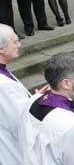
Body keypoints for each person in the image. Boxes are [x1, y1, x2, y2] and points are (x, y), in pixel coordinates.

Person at [0, 24, 31, 165]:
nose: (19, 44)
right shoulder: (4, 85)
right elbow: (22, 122)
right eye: (14, 41)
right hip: (13, 151)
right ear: (1, 48)